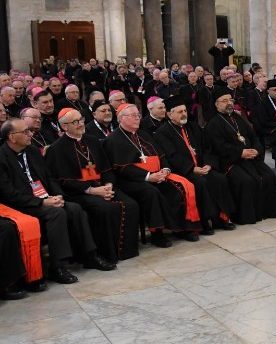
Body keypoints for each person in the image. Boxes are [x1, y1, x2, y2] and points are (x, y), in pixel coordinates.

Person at [0, 118, 115, 283]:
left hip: (46, 198)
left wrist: (58, 195)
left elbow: (49, 177)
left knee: (74, 209)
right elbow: (8, 193)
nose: (30, 134)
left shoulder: (32, 151)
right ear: (12, 137)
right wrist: (42, 203)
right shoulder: (2, 157)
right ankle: (57, 266)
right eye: (25, 132)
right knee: (56, 214)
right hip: (22, 205)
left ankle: (89, 256)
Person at [47, 107, 140, 262]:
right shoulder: (56, 149)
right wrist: (91, 190)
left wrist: (109, 185)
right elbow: (63, 181)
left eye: (81, 120)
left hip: (102, 187)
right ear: (64, 126)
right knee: (105, 208)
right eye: (75, 122)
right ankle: (106, 254)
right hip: (79, 193)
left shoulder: (92, 141)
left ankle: (127, 251)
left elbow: (107, 168)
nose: (80, 124)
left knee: (131, 204)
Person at [104, 104, 202, 247]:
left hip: (156, 175)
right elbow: (122, 169)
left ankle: (181, 228)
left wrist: (166, 169)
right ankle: (157, 233)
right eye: (133, 116)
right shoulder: (113, 139)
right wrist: (148, 176)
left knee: (177, 188)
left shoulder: (144, 134)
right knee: (151, 192)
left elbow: (161, 155)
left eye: (138, 115)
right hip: (131, 181)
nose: (138, 118)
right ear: (121, 119)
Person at [155, 96, 237, 235]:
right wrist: (192, 168)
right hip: (183, 171)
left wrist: (208, 165)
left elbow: (207, 148)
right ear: (169, 114)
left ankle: (221, 218)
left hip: (201, 167)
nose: (184, 114)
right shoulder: (162, 132)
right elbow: (172, 156)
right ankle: (204, 222)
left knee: (219, 179)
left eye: (185, 111)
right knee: (200, 183)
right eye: (180, 112)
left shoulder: (193, 126)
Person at [203, 92, 276, 224]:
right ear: (216, 105)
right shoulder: (213, 124)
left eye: (230, 100)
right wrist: (240, 152)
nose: (229, 103)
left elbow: (253, 136)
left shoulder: (238, 118)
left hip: (250, 158)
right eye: (224, 100)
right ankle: (247, 216)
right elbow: (219, 147)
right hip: (231, 161)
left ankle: (268, 211)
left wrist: (256, 150)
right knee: (246, 181)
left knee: (270, 176)